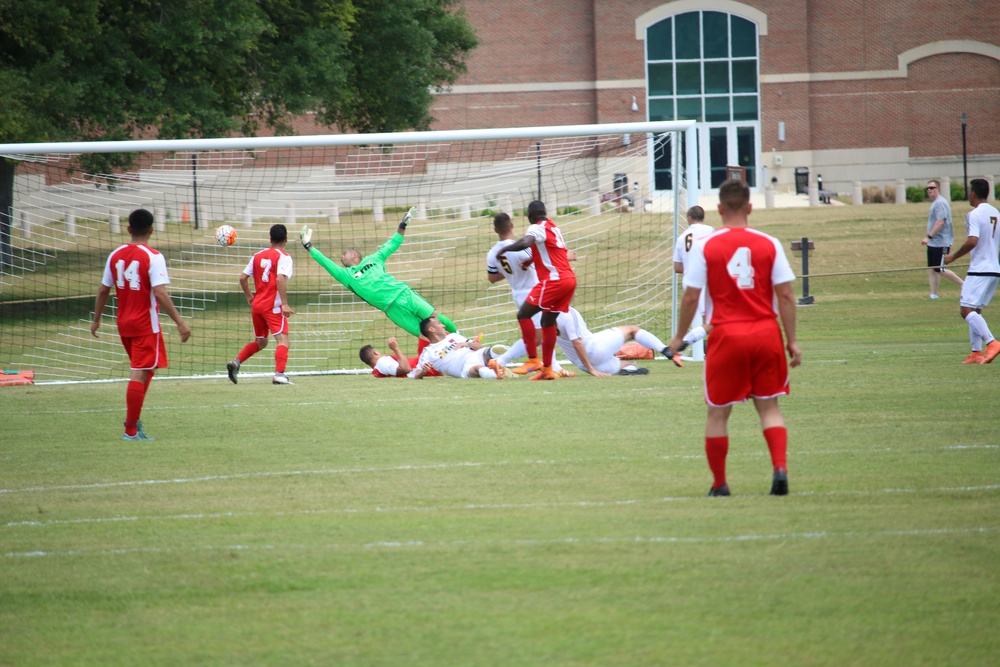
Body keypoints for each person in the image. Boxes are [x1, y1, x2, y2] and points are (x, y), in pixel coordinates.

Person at [667, 180, 802, 497]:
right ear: (750, 207)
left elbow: (690, 297)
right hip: (765, 332)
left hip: (726, 335)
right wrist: (792, 340)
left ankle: (720, 484)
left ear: (720, 209)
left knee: (718, 412)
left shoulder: (707, 246)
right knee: (769, 408)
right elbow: (786, 296)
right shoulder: (769, 243)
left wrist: (678, 337)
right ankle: (779, 468)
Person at [90, 208, 192, 440]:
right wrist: (180, 322)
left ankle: (133, 420)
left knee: (147, 370)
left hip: (124, 324)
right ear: (151, 230)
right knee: (139, 373)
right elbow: (160, 292)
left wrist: (96, 320)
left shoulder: (115, 255)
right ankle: (131, 430)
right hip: (145, 325)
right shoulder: (153, 256)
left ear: (128, 229)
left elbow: (104, 289)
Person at [299, 207, 457, 343]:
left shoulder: (374, 258)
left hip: (404, 294)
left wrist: (403, 224)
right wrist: (308, 246)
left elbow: (392, 243)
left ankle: (462, 340)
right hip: (392, 309)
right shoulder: (346, 275)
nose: (341, 257)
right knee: (425, 335)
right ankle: (454, 354)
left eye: (344, 254)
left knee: (438, 319)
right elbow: (326, 262)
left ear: (354, 255)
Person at [494, 201, 576, 381]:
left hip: (554, 281)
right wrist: (531, 261)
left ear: (530, 216)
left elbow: (526, 241)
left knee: (523, 315)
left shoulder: (537, 227)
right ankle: (548, 369)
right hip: (569, 280)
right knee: (547, 323)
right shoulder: (553, 227)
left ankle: (532, 359)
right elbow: (552, 250)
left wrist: (505, 249)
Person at [226, 224, 295, 385]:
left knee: (261, 342)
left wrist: (250, 296)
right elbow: (280, 279)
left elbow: (243, 278)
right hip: (273, 306)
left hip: (257, 306)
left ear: (270, 239)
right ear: (286, 240)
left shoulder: (258, 255)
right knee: (283, 341)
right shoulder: (284, 256)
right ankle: (279, 374)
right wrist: (284, 304)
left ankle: (236, 362)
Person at [943, 178, 1000, 364]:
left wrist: (953, 257)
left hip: (980, 270)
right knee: (976, 309)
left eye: (969, 191)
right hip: (994, 270)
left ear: (973, 194)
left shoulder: (974, 214)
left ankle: (992, 343)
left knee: (966, 310)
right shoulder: (996, 213)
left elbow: (972, 241)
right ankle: (976, 353)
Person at [553, 307, 674, 376]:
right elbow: (577, 342)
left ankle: (628, 370)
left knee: (629, 366)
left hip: (581, 363)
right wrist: (591, 369)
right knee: (633, 330)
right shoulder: (567, 312)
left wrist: (556, 368)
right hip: (593, 349)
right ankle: (665, 349)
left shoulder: (542, 316)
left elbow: (546, 343)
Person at [672, 205, 715, 355]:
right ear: (703, 217)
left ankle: (688, 341)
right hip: (710, 281)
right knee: (713, 321)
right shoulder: (711, 231)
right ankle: (689, 342)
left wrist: (692, 268)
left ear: (689, 218)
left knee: (710, 320)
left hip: (690, 283)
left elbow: (677, 267)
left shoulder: (682, 237)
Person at [409, 316, 507, 379]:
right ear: (431, 329)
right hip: (465, 368)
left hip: (477, 355)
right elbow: (415, 375)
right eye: (439, 323)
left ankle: (508, 361)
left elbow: (480, 347)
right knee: (478, 368)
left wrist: (466, 344)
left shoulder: (454, 336)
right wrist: (423, 372)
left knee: (497, 349)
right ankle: (499, 374)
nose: (443, 325)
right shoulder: (428, 352)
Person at [920, 179, 963, 299]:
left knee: (940, 269)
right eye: (928, 188)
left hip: (941, 242)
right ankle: (934, 294)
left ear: (938, 189)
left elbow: (940, 222)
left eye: (932, 188)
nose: (929, 190)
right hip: (934, 243)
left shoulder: (940, 203)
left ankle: (964, 285)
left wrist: (929, 237)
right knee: (932, 269)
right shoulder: (935, 203)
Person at [360, 337, 440, 378]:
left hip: (425, 364)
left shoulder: (378, 370)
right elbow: (405, 369)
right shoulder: (382, 362)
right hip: (426, 364)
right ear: (375, 352)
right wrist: (396, 349)